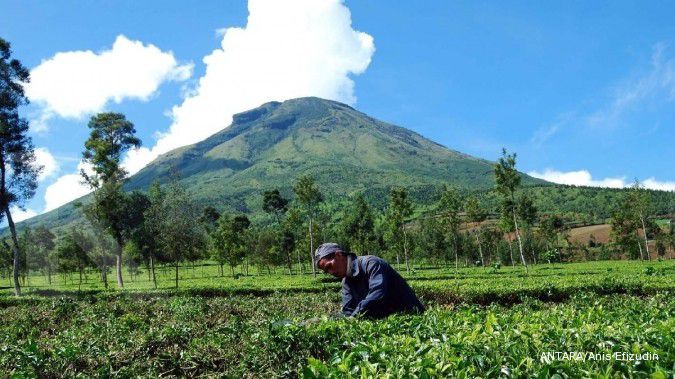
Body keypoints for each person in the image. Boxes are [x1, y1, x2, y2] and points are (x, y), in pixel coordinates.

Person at [314, 242, 425, 319]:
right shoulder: (346, 283)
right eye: (326, 271)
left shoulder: (371, 263)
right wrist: (325, 320)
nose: (330, 272)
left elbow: (378, 294)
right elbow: (348, 312)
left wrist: (355, 315)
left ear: (338, 255)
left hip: (412, 317)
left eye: (329, 266)